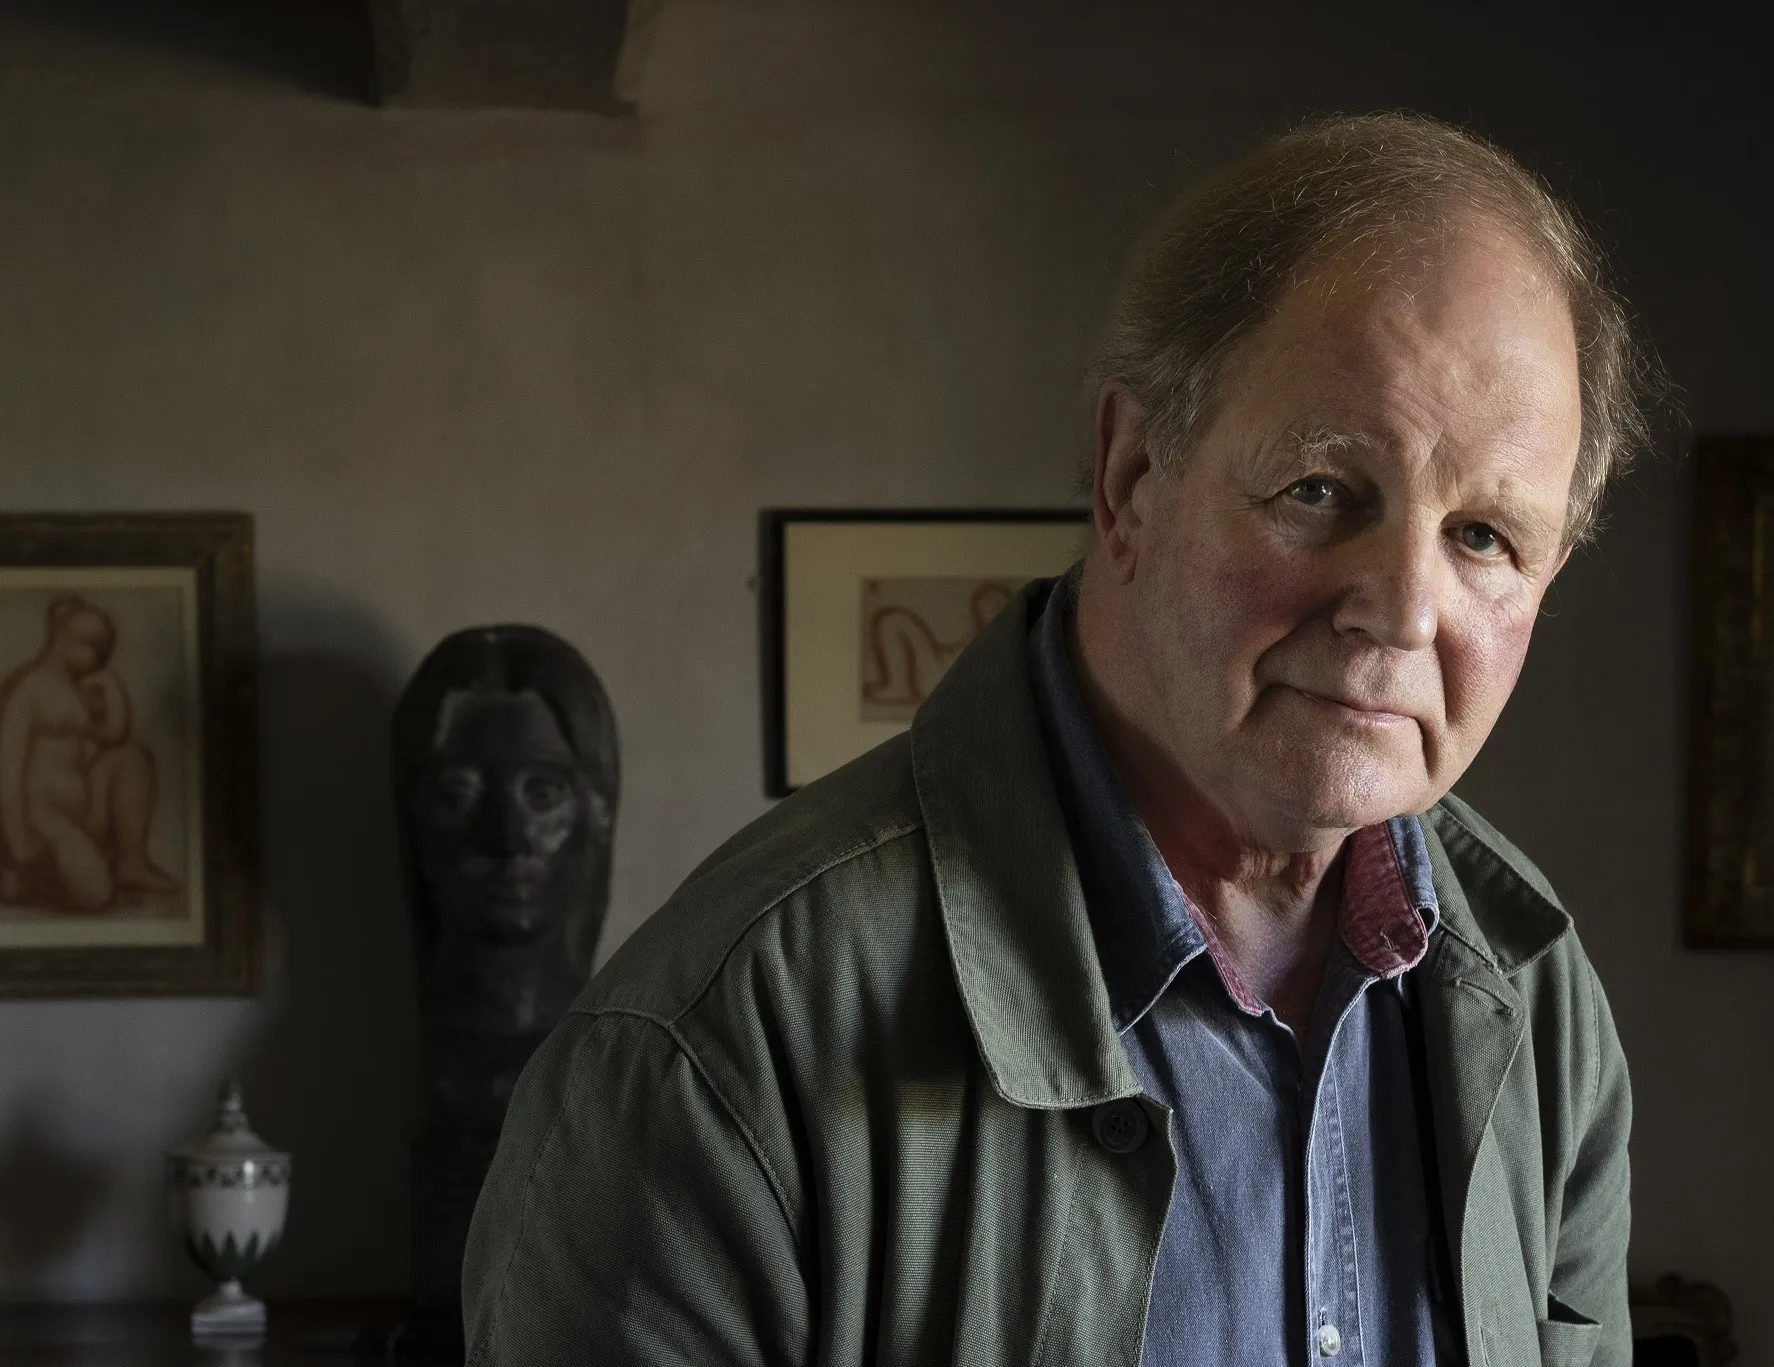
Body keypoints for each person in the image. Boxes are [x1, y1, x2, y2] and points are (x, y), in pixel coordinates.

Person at [465, 112, 1646, 1367]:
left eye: (1484, 537)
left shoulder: (1538, 1000)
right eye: (1318, 489)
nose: (1402, 609)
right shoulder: (714, 1051)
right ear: (1131, 475)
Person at [0, 595, 177, 911]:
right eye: (92, 646)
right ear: (62, 639)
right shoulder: (28, 690)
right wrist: (19, 839)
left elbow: (114, 736)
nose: (101, 656)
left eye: (104, 649)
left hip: (83, 810)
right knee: (96, 896)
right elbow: (8, 766)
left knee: (132, 758)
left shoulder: (79, 688)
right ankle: (23, 879)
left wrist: (113, 688)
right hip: (46, 818)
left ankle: (131, 862)